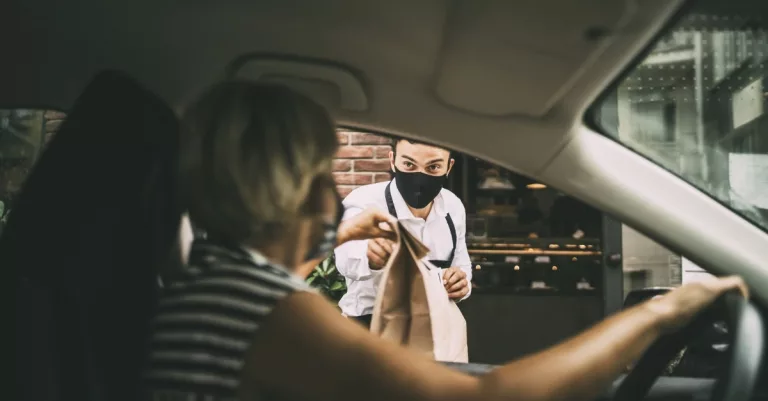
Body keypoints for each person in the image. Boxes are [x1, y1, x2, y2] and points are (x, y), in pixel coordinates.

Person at [143, 80, 748, 401]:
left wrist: (335, 236)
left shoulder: (217, 282)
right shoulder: (266, 313)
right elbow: (490, 398)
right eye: (322, 172)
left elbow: (283, 276)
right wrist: (659, 315)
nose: (334, 191)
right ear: (295, 189)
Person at [335, 138, 472, 328]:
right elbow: (345, 260)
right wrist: (371, 256)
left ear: (449, 167)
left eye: (433, 167)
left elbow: (461, 265)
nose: (420, 178)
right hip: (370, 326)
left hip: (433, 327)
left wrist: (461, 284)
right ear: (392, 160)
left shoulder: (453, 205)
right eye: (409, 165)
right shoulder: (364, 201)